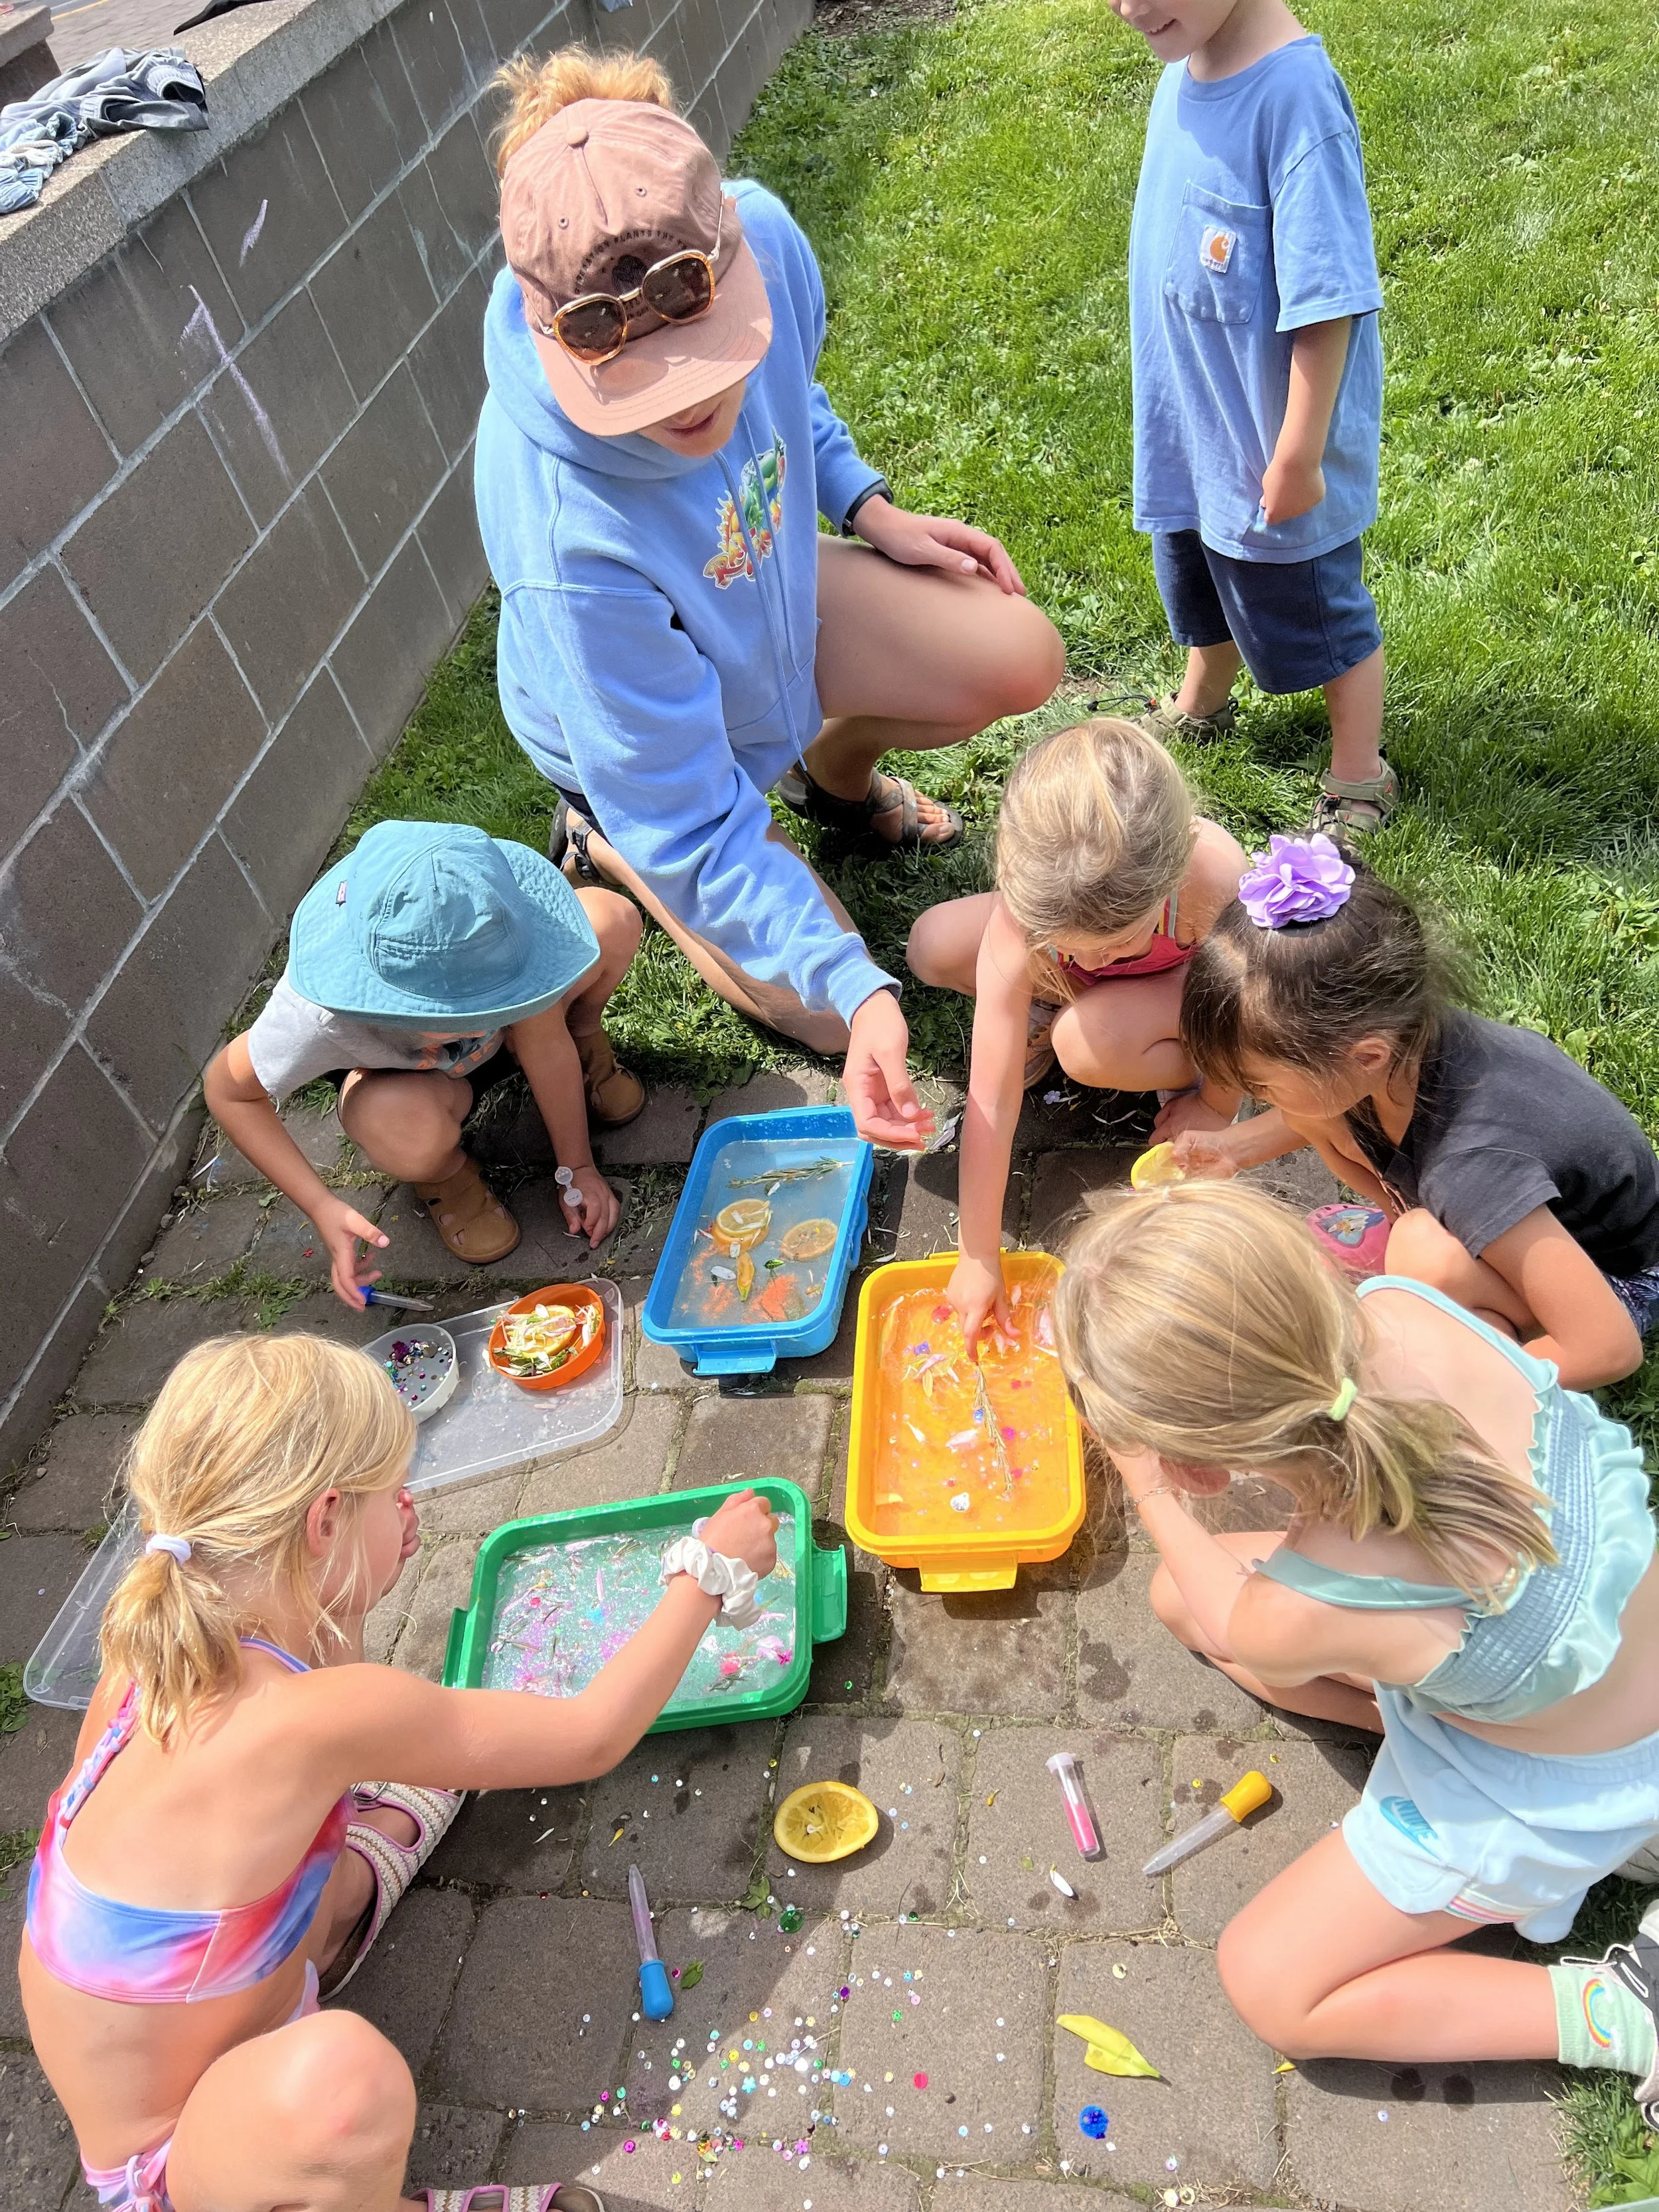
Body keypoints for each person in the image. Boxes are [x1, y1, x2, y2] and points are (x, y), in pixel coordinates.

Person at [19, 1330, 779, 2212]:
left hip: (203, 2030)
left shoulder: (154, 1634)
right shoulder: (306, 1721)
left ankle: (335, 1920)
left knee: (345, 1816)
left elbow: (313, 1729)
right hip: (185, 2167)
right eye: (393, 1489)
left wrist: (345, 1598)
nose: (409, 1504)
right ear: (326, 1519)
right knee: (347, 2087)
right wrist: (708, 1571)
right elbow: (589, 1735)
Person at [472, 48, 1066, 1149]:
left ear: (733, 258)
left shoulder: (766, 236)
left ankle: (827, 781)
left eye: (712, 360)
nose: (695, 410)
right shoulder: (566, 540)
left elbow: (797, 386)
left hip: (774, 606)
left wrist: (865, 504)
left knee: (1019, 653)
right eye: (648, 392)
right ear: (561, 340)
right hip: (655, 761)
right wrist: (864, 987)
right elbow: (695, 821)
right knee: (829, 1008)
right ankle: (605, 839)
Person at [1052, 1178, 1659, 2097]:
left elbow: (1245, 1629)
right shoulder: (1404, 1307)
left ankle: (1624, 2013)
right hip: (1616, 1669)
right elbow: (1230, 1600)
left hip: (1562, 1795)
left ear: (1200, 1462)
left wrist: (1145, 1484)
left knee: (1269, 1980)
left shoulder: (1306, 1606)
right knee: (1186, 1592)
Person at [1168, 834, 1659, 1389]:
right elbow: (1310, 1106)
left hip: (1609, 1277)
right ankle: (1428, 1265)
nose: (1258, 1097)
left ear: (1367, 1057)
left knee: (1423, 1258)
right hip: (1501, 1212)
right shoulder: (1395, 1044)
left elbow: (1607, 1347)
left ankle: (1470, 1338)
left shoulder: (1473, 1164)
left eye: (1262, 1084)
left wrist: (1466, 1389)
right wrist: (1232, 1149)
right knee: (1334, 1135)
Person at [1110, 0, 1391, 836]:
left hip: (1267, 449)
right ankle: (1204, 700)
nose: (1129, 7)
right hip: (1192, 426)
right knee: (1195, 579)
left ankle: (1359, 776)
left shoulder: (1295, 100)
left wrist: (1298, 455)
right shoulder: (1184, 63)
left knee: (1320, 614)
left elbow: (1326, 304)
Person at [905, 717, 1244, 1346]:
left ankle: (1159, 1057)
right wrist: (978, 1254)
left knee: (1085, 1042)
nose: (1090, 963)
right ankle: (1055, 1004)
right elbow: (992, 1096)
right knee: (933, 944)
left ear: (1166, 886)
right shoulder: (1032, 906)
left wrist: (1215, 1102)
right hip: (1089, 955)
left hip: (1185, 990)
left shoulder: (1213, 880)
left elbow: (1238, 1010)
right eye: (1070, 950)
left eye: (1115, 946)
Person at [204, 820, 644, 1305]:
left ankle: (585, 1041)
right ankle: (446, 1176)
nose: (491, 1017)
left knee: (611, 919)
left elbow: (544, 1041)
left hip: (519, 1041)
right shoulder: (316, 1015)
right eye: (476, 1011)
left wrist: (577, 1165)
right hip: (421, 1087)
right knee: (390, 1119)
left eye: (505, 1001)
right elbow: (227, 1090)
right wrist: (322, 1206)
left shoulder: (490, 944)